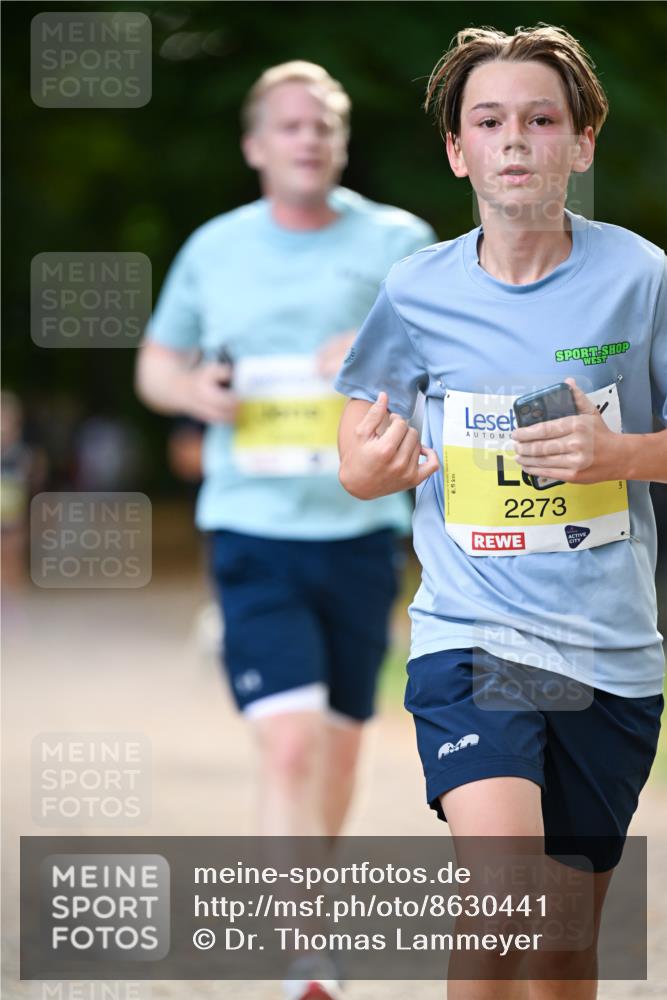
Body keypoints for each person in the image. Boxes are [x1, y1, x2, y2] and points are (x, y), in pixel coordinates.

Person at [336, 24, 666, 1000]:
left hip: (610, 649)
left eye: (539, 118)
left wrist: (620, 456)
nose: (514, 139)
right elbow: (359, 448)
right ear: (458, 149)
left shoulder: (641, 280)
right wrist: (369, 466)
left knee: (562, 946)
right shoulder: (415, 290)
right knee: (502, 890)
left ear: (582, 142)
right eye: (489, 120)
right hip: (473, 634)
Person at [135, 61, 435, 1000]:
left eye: (325, 125)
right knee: (293, 743)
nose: (308, 138)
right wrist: (193, 392)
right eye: (290, 125)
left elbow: (442, 364)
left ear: (341, 143)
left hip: (358, 529)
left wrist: (370, 359)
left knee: (341, 745)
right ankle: (307, 950)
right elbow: (157, 365)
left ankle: (307, 896)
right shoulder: (214, 248)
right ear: (256, 145)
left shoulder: (398, 240)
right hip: (251, 528)